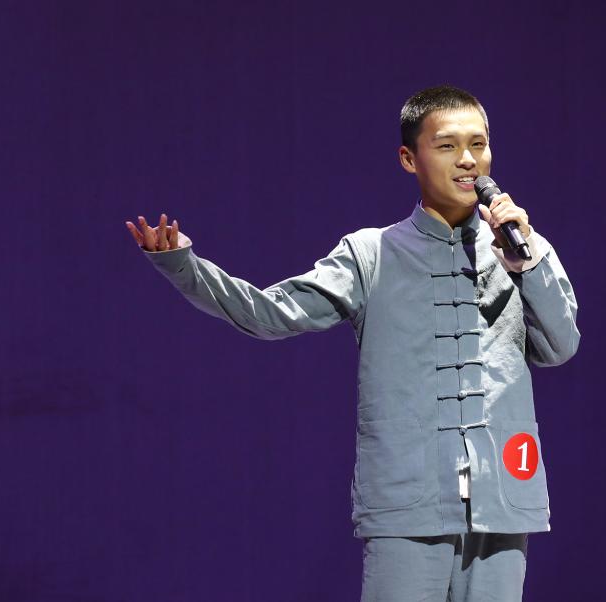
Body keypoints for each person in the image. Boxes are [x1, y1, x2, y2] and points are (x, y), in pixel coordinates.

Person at [124, 85, 580, 601]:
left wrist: (525, 263)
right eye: (448, 146)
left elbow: (560, 346)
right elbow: (271, 313)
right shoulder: (371, 254)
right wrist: (184, 267)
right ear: (409, 158)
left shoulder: (523, 248)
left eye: (479, 144)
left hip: (503, 498)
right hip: (407, 502)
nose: (468, 160)